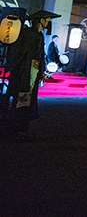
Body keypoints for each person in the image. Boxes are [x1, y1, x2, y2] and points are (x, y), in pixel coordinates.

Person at [2, 9, 60, 139]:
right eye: (47, 20)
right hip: (24, 72)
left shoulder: (39, 35)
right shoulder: (28, 33)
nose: (48, 22)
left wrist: (41, 70)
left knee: (26, 100)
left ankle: (20, 127)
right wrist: (15, 68)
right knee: (21, 99)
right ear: (41, 20)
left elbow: (39, 56)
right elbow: (19, 52)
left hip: (32, 72)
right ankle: (13, 128)